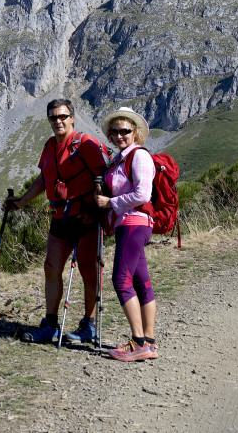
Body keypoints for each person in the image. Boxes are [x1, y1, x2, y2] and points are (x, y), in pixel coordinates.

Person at [4, 98, 109, 344]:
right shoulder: (50, 146)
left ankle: (88, 326)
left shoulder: (86, 144)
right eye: (53, 117)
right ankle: (50, 324)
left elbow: (103, 177)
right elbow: (44, 179)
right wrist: (21, 203)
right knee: (51, 268)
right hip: (59, 217)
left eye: (62, 116)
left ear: (73, 117)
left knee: (88, 272)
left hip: (85, 219)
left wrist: (96, 207)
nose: (58, 121)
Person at [94, 106, 158, 361]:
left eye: (125, 131)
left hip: (133, 223)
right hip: (129, 224)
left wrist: (110, 203)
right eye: (115, 131)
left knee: (121, 281)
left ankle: (138, 342)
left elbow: (143, 195)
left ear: (136, 132)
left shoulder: (139, 157)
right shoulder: (120, 159)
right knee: (142, 282)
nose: (120, 135)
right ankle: (149, 342)